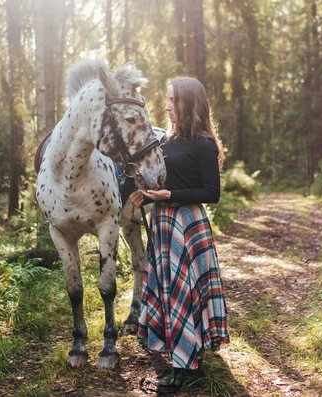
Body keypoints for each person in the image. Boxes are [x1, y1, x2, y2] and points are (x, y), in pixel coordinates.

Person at [130, 77, 230, 389]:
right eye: (168, 100)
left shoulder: (203, 145)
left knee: (185, 292)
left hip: (186, 225)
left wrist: (168, 194)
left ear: (189, 103)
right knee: (169, 290)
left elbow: (211, 192)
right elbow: (158, 180)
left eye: (173, 100)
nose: (167, 106)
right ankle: (177, 354)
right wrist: (146, 194)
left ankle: (188, 366)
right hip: (163, 224)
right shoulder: (165, 143)